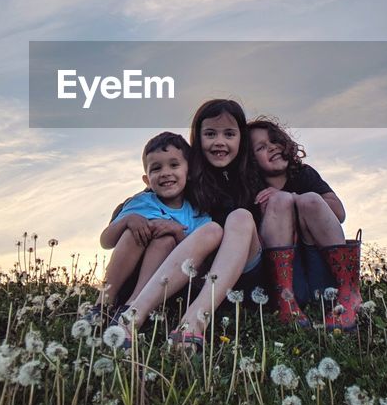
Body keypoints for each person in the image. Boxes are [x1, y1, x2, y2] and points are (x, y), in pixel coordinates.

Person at [120, 99, 264, 350]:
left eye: (229, 134)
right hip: (197, 272)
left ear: (242, 139)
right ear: (198, 138)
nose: (220, 141)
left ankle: (196, 321)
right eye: (210, 134)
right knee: (211, 230)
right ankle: (131, 318)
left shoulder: (253, 175)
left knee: (240, 217)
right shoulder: (187, 176)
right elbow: (149, 200)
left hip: (245, 270)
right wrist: (135, 218)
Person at [249, 116, 362, 331]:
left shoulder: (303, 174)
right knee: (279, 201)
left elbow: (339, 212)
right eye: (261, 147)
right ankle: (285, 302)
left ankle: (349, 293)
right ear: (251, 161)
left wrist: (293, 196)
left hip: (323, 273)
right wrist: (276, 205)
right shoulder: (253, 190)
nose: (272, 148)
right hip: (287, 281)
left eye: (275, 141)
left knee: (309, 199)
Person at [95, 132, 210, 315]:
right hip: (129, 277)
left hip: (170, 288)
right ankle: (103, 304)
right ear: (147, 180)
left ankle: (134, 306)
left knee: (165, 239)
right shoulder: (141, 203)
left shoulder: (197, 215)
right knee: (134, 230)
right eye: (156, 168)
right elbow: (105, 241)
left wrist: (177, 232)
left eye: (174, 165)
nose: (165, 173)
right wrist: (128, 220)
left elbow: (201, 268)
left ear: (189, 173)